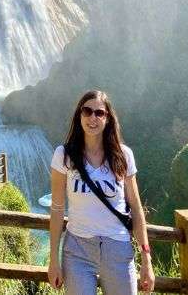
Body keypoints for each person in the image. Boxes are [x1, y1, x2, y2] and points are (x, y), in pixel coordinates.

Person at [48, 89, 155, 294]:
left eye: (99, 113)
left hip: (117, 247)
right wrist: (54, 259)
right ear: (79, 115)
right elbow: (57, 208)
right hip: (77, 249)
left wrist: (146, 259)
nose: (92, 118)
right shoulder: (64, 155)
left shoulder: (123, 156)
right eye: (87, 111)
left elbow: (135, 206)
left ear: (108, 118)